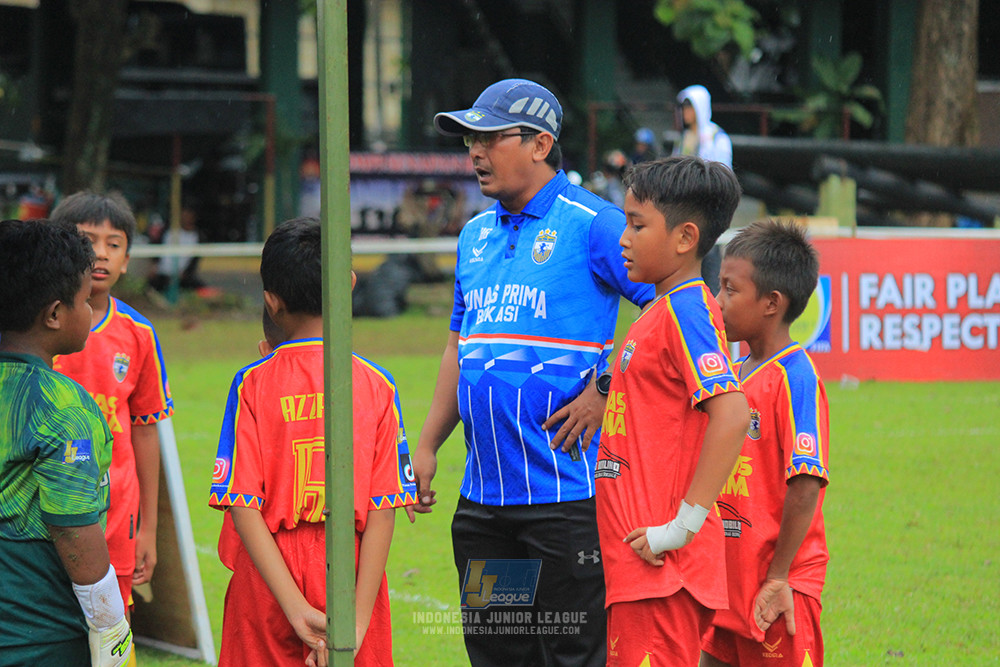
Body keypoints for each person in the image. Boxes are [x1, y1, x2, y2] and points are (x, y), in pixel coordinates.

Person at [410, 78, 655, 667]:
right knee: (500, 655)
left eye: (489, 138)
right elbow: (458, 348)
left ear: (541, 144)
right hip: (484, 505)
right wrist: (427, 446)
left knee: (571, 653)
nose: (475, 151)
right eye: (470, 140)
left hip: (565, 500)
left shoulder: (594, 223)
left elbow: (671, 305)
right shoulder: (473, 235)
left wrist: (606, 388)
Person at [208, 217, 418, 666]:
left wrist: (293, 607)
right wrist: (357, 623)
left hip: (267, 576)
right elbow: (383, 509)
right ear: (350, 284)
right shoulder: (378, 385)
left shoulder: (252, 383)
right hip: (351, 569)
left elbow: (242, 503)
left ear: (271, 301)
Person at [594, 155, 750, 666]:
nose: (623, 238)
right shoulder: (659, 310)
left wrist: (680, 528)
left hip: (661, 567)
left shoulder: (686, 308)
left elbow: (732, 412)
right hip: (639, 567)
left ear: (685, 238)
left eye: (637, 225)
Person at [0, 218, 135, 666]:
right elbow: (71, 527)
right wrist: (110, 625)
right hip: (38, 636)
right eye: (86, 300)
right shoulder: (62, 408)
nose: (92, 312)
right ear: (55, 314)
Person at [701, 220, 830, 667]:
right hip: (727, 577)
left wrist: (778, 577)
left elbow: (806, 483)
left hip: (777, 585)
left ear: (772, 303)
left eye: (730, 290)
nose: (717, 301)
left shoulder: (795, 377)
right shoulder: (731, 371)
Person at [51, 192, 175, 612]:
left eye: (114, 243)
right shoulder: (33, 326)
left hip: (117, 511)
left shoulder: (138, 333)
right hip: (44, 509)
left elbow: (145, 429)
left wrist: (148, 529)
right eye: (87, 241)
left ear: (126, 260)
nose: (100, 253)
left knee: (111, 624)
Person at [673, 84, 734, 298]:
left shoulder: (717, 137)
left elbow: (724, 177)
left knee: (709, 266)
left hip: (708, 210)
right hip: (684, 211)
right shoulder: (683, 138)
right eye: (683, 107)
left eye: (689, 107)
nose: (685, 112)